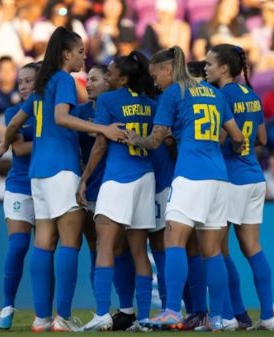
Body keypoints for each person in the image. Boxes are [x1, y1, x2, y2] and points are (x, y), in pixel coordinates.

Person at [0, 27, 125, 332]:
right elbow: (62, 117)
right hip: (62, 169)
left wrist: (5, 144)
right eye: (80, 51)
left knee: (43, 242)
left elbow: (15, 121)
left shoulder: (41, 86)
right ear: (66, 53)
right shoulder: (64, 79)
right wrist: (102, 130)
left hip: (37, 174)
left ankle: (41, 319)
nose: (84, 56)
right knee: (69, 243)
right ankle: (62, 318)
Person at [125, 46, 244, 332]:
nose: (154, 82)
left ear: (168, 70)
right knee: (212, 250)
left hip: (190, 174)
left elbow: (155, 140)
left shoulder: (174, 93)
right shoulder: (216, 94)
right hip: (219, 177)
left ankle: (170, 311)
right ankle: (218, 318)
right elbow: (238, 137)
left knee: (173, 240)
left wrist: (133, 138)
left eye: (155, 76)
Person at [77, 51, 158, 332]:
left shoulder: (109, 100)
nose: (107, 76)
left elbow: (101, 144)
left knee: (105, 246)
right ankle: (144, 318)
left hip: (118, 177)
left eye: (110, 73)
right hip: (145, 177)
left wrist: (85, 178)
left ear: (123, 79)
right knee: (139, 250)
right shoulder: (149, 103)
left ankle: (101, 312)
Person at [205, 43, 274, 331]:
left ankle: (229, 315)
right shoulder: (253, 95)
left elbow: (222, 138)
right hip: (254, 177)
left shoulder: (221, 96)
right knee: (252, 247)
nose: (207, 68)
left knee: (219, 250)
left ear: (224, 68)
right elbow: (262, 138)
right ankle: (268, 316)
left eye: (210, 64)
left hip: (231, 178)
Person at [0, 62, 39, 330]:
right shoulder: (14, 112)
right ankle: (7, 306)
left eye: (28, 81)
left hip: (48, 186)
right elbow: (20, 149)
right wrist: (52, 136)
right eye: (20, 81)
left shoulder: (56, 108)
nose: (23, 86)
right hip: (20, 185)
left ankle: (44, 311)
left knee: (45, 251)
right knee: (19, 245)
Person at [75, 64, 109, 297]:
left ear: (110, 81)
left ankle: (129, 309)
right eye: (88, 79)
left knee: (121, 249)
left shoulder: (119, 107)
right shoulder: (79, 112)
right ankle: (102, 308)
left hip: (116, 183)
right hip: (90, 186)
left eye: (94, 79)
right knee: (96, 247)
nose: (88, 84)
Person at [0, 0, 33, 69]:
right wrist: (0, 23)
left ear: (15, 8)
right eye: (4, 5)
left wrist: (19, 24)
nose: (8, 9)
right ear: (0, 7)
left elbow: (28, 46)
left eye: (11, 5)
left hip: (17, 62)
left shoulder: (22, 23)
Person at [85, 0, 136, 64]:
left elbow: (128, 49)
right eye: (108, 2)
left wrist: (116, 34)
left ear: (122, 6)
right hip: (100, 63)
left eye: (115, 3)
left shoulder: (126, 25)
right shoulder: (94, 23)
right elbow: (93, 52)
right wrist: (99, 33)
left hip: (120, 64)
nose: (112, 6)